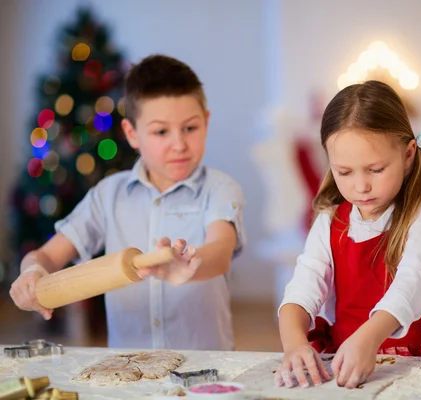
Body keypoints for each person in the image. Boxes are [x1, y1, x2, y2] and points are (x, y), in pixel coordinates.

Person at [9, 54, 246, 351]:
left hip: (207, 368)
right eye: (161, 131)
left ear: (206, 121)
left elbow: (220, 252)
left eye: (190, 128)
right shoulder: (107, 195)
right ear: (132, 134)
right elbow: (45, 256)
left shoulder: (220, 188)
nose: (179, 144)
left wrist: (188, 267)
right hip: (129, 369)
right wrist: (32, 273)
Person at [275, 80, 421, 390]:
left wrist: (370, 338)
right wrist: (294, 344)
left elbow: (412, 285)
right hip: (346, 359)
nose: (361, 186)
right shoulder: (329, 218)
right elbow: (304, 286)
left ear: (409, 154)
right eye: (344, 172)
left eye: (375, 169)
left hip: (413, 359)